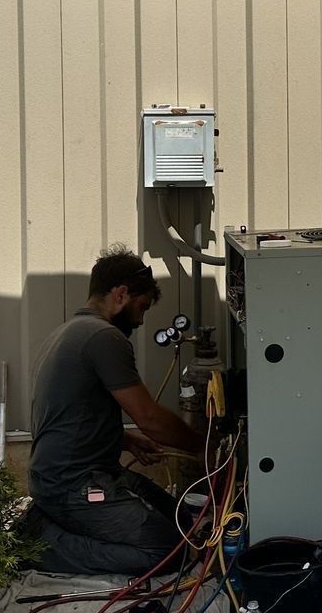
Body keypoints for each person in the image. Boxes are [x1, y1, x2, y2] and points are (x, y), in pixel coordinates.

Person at [25, 246, 203, 575]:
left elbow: (71, 415)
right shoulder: (105, 337)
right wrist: (207, 448)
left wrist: (124, 441)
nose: (141, 319)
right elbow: (150, 419)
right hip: (73, 486)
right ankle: (38, 545)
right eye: (141, 307)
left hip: (78, 475)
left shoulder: (67, 332)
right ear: (120, 294)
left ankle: (50, 522)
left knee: (183, 524)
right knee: (167, 553)